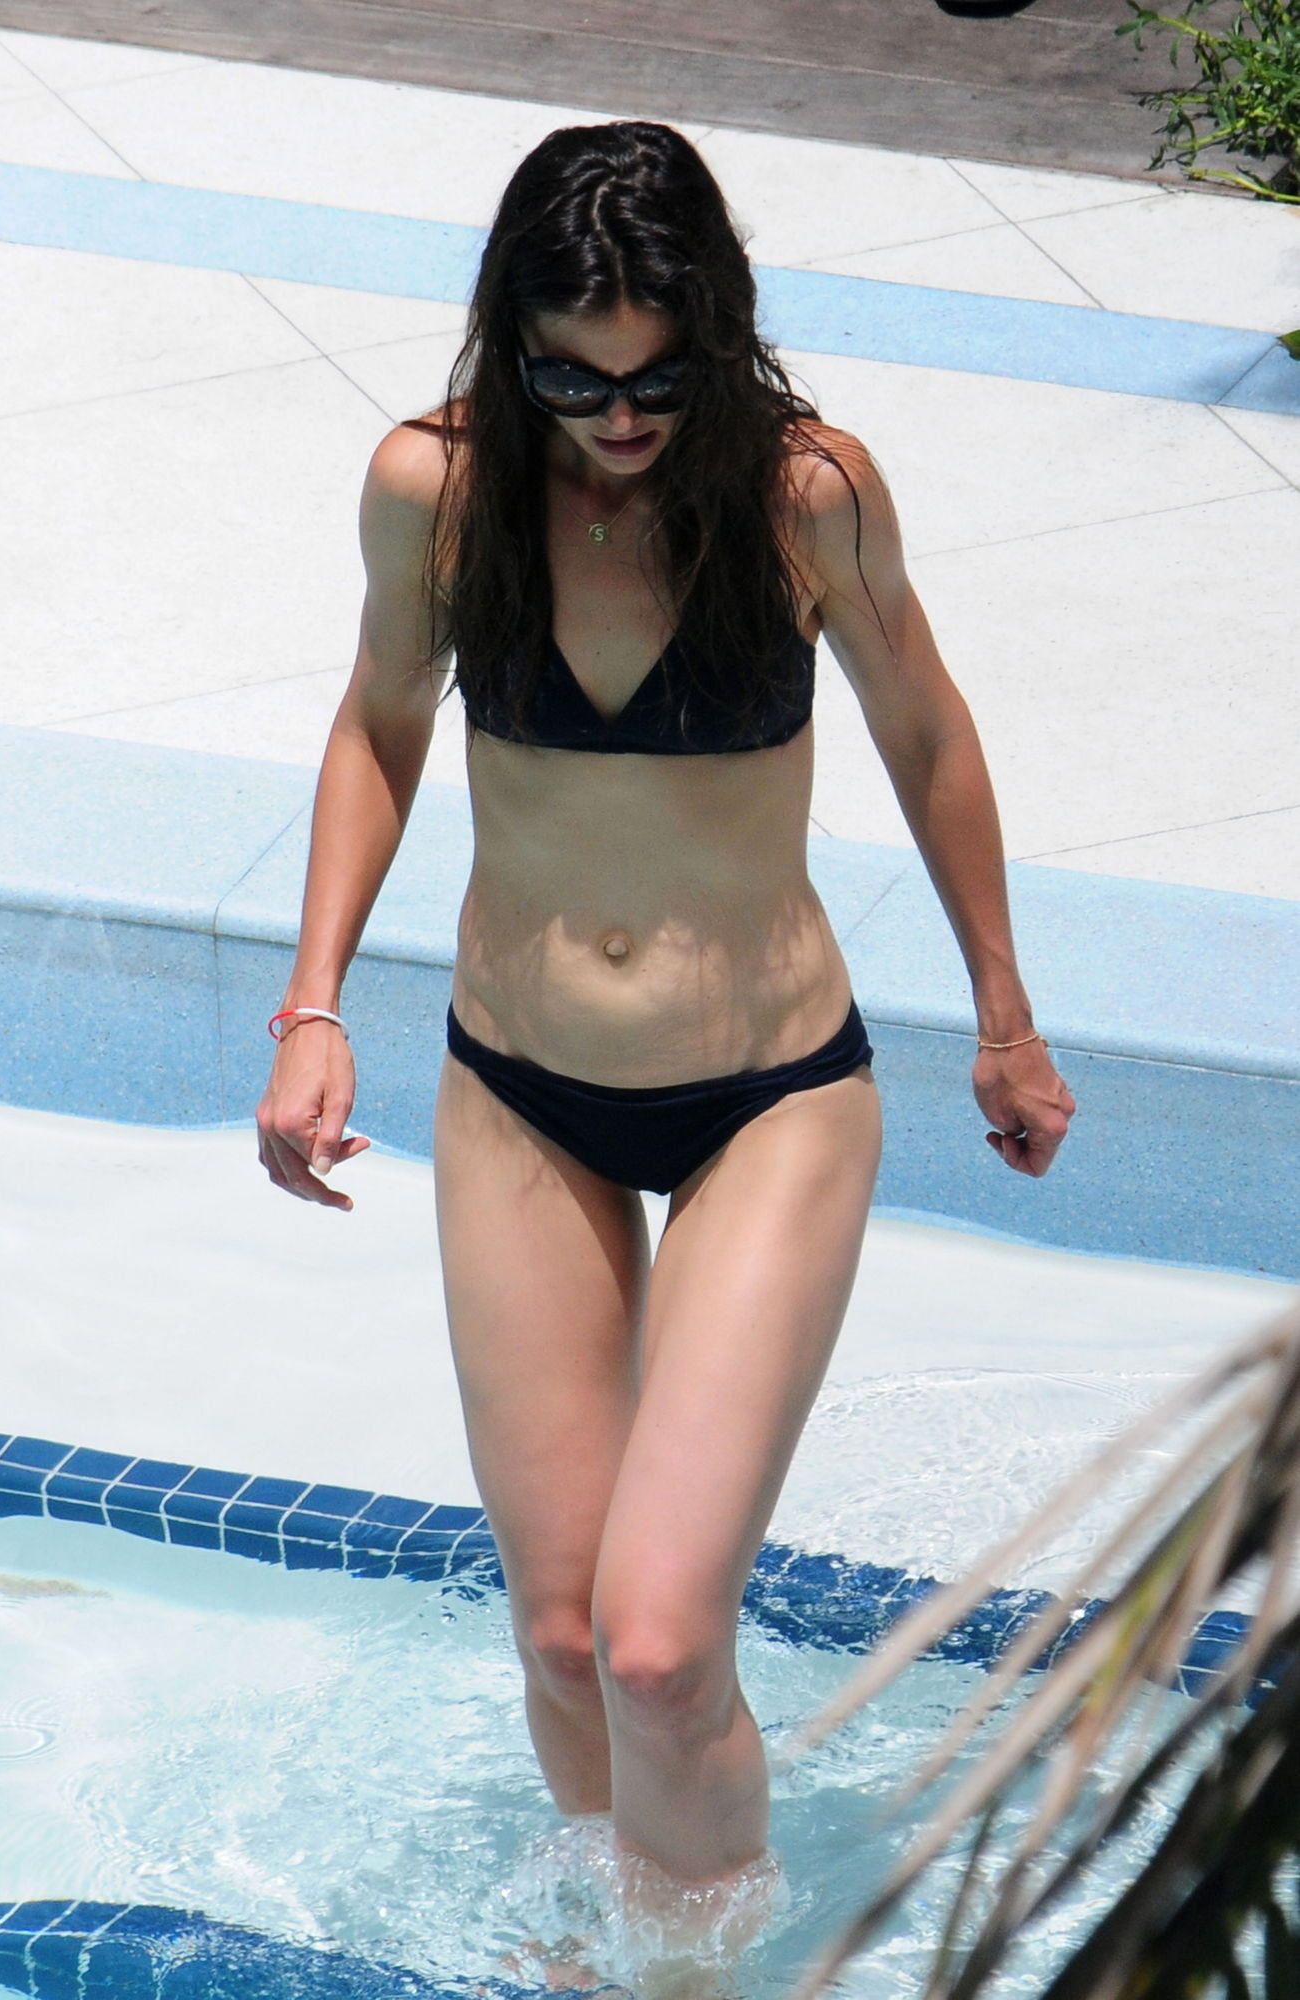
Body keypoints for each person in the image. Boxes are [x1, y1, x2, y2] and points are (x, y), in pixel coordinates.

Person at [255, 119, 1075, 1974]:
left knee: (655, 1644)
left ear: (719, 328)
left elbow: (926, 733)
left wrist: (1003, 1020)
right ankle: (603, 1955)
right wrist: (313, 1010)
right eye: (571, 379)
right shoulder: (437, 492)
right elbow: (379, 722)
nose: (619, 418)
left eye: (658, 376)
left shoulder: (802, 496)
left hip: (764, 1100)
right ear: (510, 342)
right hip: (517, 1091)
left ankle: (704, 1977)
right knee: (560, 1635)